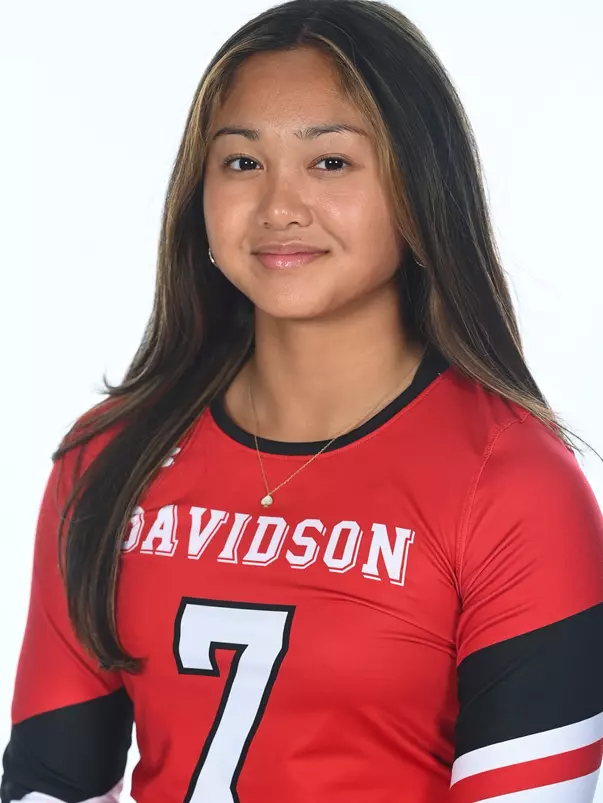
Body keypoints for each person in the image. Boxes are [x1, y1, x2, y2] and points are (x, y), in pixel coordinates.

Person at [2, 1, 603, 801]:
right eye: (241, 162)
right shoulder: (108, 456)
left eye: (329, 161)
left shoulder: (515, 484)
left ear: (419, 186)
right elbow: (49, 782)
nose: (278, 207)